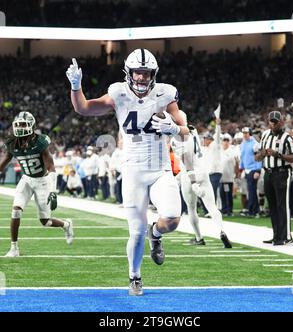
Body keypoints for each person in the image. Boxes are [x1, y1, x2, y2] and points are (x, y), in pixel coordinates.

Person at [66, 49, 189, 296]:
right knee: (135, 231)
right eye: (138, 73)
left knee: (173, 219)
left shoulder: (166, 93)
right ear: (129, 73)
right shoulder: (118, 93)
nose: (142, 78)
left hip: (160, 169)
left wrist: (174, 128)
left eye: (146, 73)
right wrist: (76, 86)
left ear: (153, 74)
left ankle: (157, 233)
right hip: (133, 171)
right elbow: (84, 108)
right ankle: (135, 276)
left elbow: (187, 129)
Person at [0, 112, 74, 257]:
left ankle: (66, 224)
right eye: (18, 124)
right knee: (16, 210)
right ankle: (14, 248)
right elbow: (4, 162)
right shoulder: (12, 142)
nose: (20, 127)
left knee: (45, 221)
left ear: (31, 126)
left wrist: (53, 191)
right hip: (26, 179)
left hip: (43, 182)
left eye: (23, 124)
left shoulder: (40, 141)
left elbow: (51, 166)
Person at [171, 110, 232, 248]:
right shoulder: (193, 131)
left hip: (190, 174)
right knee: (212, 206)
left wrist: (192, 182)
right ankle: (221, 230)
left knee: (191, 208)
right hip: (203, 172)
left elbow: (187, 160)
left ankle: (199, 238)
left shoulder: (177, 138)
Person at [255, 111, 293, 245]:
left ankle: (286, 237)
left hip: (282, 173)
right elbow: (257, 157)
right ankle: (276, 235)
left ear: (281, 122)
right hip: (267, 173)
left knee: (282, 205)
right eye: (271, 121)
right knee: (272, 206)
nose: (272, 124)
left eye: (275, 121)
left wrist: (278, 155)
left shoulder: (288, 137)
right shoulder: (265, 136)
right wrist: (263, 154)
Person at [240, 127, 262, 217]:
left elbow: (259, 157)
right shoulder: (243, 144)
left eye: (246, 133)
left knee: (252, 191)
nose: (244, 135)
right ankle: (254, 210)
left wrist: (258, 170)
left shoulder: (255, 144)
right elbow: (242, 157)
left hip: (253, 169)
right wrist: (242, 168)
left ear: (250, 133)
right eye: (243, 133)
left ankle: (253, 210)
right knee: (250, 190)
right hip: (246, 170)